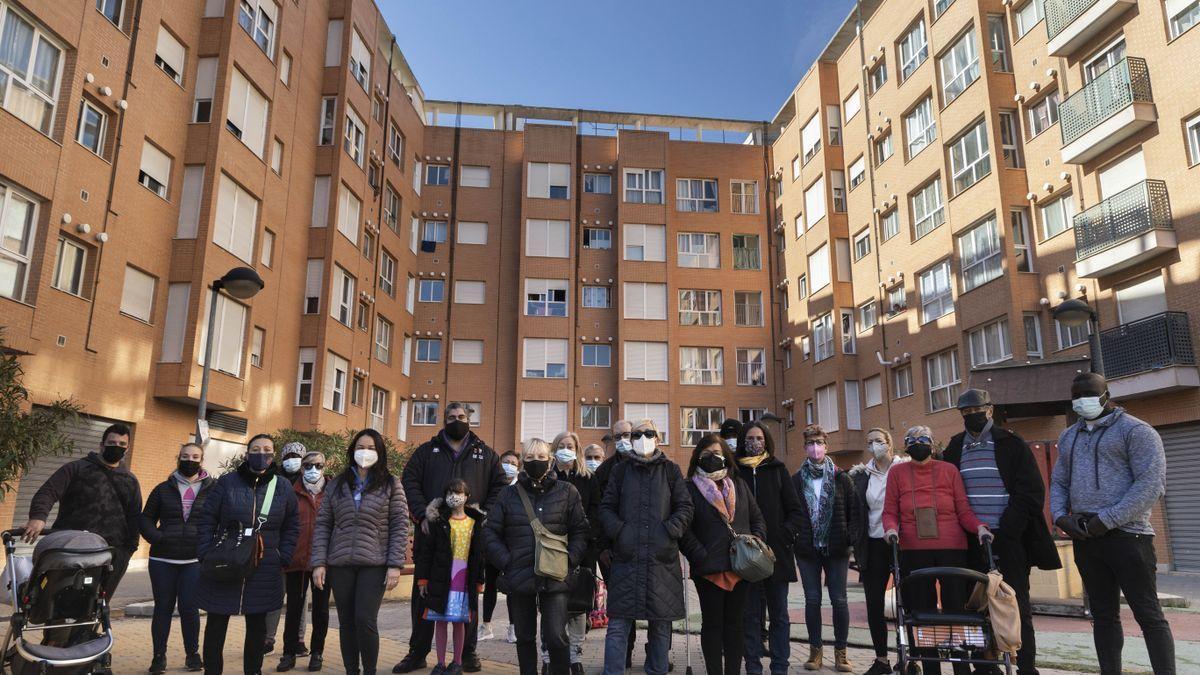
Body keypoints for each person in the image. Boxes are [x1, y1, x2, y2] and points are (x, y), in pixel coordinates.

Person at [1050, 372, 1174, 675]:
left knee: (1148, 614)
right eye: (1076, 396)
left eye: (1089, 394)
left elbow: (1150, 485)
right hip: (1085, 537)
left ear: (1106, 394)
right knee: (1103, 615)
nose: (1082, 401)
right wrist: (1060, 516)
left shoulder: (1137, 431)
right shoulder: (1068, 436)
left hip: (1129, 536)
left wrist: (1107, 520)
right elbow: (1059, 481)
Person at [943, 389, 1061, 675]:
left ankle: (1026, 666)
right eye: (965, 412)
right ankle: (985, 666)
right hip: (970, 540)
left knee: (1015, 603)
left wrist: (1007, 529)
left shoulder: (1011, 443)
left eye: (977, 410)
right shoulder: (955, 447)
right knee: (973, 606)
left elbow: (1031, 492)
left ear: (990, 410)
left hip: (1009, 539)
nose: (972, 416)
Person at [395, 403, 507, 674]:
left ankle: (466, 653)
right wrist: (423, 516)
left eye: (462, 417)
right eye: (451, 417)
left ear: (470, 420)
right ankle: (418, 652)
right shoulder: (425, 452)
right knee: (424, 594)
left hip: (468, 541)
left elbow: (500, 486)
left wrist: (484, 517)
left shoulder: (486, 454)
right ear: (443, 420)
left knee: (467, 596)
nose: (457, 421)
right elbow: (409, 482)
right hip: (432, 539)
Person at [24, 422, 141, 675]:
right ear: (101, 444)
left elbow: (134, 517)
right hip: (73, 552)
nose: (116, 448)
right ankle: (54, 647)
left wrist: (129, 550)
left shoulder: (130, 480)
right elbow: (48, 492)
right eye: (112, 443)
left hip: (111, 554)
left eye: (122, 445)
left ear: (128, 448)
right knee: (62, 604)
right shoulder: (76, 469)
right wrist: (38, 517)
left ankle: (81, 653)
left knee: (95, 608)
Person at [883, 426, 991, 675]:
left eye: (923, 440)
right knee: (923, 610)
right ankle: (931, 666)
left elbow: (963, 510)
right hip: (913, 548)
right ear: (906, 446)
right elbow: (890, 511)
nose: (918, 444)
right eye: (912, 440)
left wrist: (980, 528)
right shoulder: (897, 473)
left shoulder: (949, 471)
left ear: (932, 444)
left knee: (956, 607)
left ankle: (962, 666)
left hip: (951, 547)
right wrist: (891, 530)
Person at [482, 438, 590, 675]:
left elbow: (581, 530)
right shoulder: (508, 495)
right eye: (530, 458)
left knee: (556, 636)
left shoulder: (568, 492)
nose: (536, 462)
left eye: (541, 457)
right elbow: (490, 533)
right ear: (523, 461)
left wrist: (570, 560)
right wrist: (506, 562)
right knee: (524, 637)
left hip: (556, 574)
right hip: (519, 574)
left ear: (550, 459)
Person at [194, 434, 299, 675]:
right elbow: (207, 517)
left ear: (273, 455)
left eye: (267, 449)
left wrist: (284, 554)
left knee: (257, 627)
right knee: (216, 624)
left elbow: (293, 523)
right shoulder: (227, 482)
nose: (261, 454)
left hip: (264, 564)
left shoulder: (282, 486)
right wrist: (205, 552)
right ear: (247, 452)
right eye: (256, 449)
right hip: (225, 561)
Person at [597, 419, 694, 675]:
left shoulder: (671, 471)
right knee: (618, 625)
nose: (643, 438)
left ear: (658, 438)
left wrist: (668, 531)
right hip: (627, 560)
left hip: (661, 561)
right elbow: (605, 508)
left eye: (649, 433)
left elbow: (685, 507)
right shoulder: (620, 471)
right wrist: (621, 532)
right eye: (638, 434)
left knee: (660, 626)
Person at [312, 429, 409, 675]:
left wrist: (395, 564)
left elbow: (399, 524)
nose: (365, 452)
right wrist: (319, 563)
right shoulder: (337, 484)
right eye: (360, 447)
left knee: (365, 620)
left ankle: (370, 670)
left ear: (380, 453)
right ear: (352, 450)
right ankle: (351, 670)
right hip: (340, 563)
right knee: (346, 623)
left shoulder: (391, 484)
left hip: (374, 563)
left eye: (371, 448)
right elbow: (323, 523)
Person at [680, 434, 766, 675]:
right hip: (709, 570)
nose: (711, 459)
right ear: (697, 457)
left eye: (716, 454)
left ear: (726, 457)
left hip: (741, 567)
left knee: (735, 626)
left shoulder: (738, 484)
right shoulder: (689, 487)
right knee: (713, 626)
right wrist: (700, 555)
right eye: (705, 455)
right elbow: (683, 530)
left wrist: (755, 543)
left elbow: (757, 518)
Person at [734, 421, 803, 675]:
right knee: (750, 616)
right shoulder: (734, 471)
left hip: (776, 556)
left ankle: (780, 667)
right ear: (743, 441)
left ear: (767, 441)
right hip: (745, 557)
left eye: (760, 438)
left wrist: (784, 536)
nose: (755, 443)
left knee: (779, 616)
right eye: (750, 438)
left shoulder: (777, 469)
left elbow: (795, 511)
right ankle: (753, 666)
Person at [140, 442, 215, 673]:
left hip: (194, 561)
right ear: (178, 458)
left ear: (201, 461)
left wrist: (208, 545)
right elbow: (145, 519)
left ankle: (192, 654)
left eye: (195, 457)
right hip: (163, 560)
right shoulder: (163, 488)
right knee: (162, 607)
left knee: (189, 608)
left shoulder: (214, 489)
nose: (189, 460)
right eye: (185, 456)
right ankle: (158, 657)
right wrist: (158, 538)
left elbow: (221, 520)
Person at [791, 425, 859, 672]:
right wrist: (797, 539)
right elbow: (792, 513)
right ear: (805, 446)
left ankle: (841, 653)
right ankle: (815, 652)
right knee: (812, 600)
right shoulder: (796, 479)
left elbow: (854, 513)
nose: (815, 447)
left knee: (839, 600)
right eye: (810, 443)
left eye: (819, 442)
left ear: (827, 446)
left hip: (837, 548)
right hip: (808, 550)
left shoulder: (842, 478)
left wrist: (849, 540)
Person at [849, 428, 908, 675]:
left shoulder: (904, 470)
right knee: (874, 603)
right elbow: (857, 511)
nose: (874, 445)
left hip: (901, 543)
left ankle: (909, 657)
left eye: (879, 441)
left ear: (890, 444)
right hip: (873, 544)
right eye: (870, 442)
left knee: (907, 604)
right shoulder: (863, 475)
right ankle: (881, 660)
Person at [417, 479, 488, 675]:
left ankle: (457, 662)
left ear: (467, 497)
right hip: (441, 578)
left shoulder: (475, 523)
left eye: (458, 493)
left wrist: (480, 581)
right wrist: (423, 580)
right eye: (449, 493)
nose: (453, 497)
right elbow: (427, 553)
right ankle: (440, 663)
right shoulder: (440, 522)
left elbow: (479, 555)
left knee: (459, 621)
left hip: (464, 579)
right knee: (440, 621)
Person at [544, 431, 600, 674]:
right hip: (551, 551)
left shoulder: (588, 479)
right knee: (550, 605)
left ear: (577, 449)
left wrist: (585, 542)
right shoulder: (546, 478)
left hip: (582, 550)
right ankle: (548, 657)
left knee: (577, 607)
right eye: (562, 445)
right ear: (554, 449)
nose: (566, 449)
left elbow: (596, 512)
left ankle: (575, 656)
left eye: (571, 445)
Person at [279, 450, 332, 672]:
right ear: (301, 468)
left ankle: (317, 653)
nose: (313, 470)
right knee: (293, 609)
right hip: (297, 560)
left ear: (325, 467)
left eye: (318, 465)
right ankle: (289, 653)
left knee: (321, 610)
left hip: (323, 561)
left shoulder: (333, 491)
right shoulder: (291, 491)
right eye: (309, 465)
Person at [265, 442, 310, 655]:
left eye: (297, 455)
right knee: (274, 594)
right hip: (277, 547)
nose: (293, 459)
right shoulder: (273, 481)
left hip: (301, 550)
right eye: (289, 455)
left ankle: (298, 640)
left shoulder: (308, 480)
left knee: (299, 600)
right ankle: (267, 638)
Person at [480, 451, 521, 644]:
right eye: (506, 462)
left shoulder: (520, 487)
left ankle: (513, 628)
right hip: (493, 543)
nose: (509, 465)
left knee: (512, 587)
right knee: (491, 586)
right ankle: (486, 626)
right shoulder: (492, 485)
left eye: (513, 463)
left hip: (513, 545)